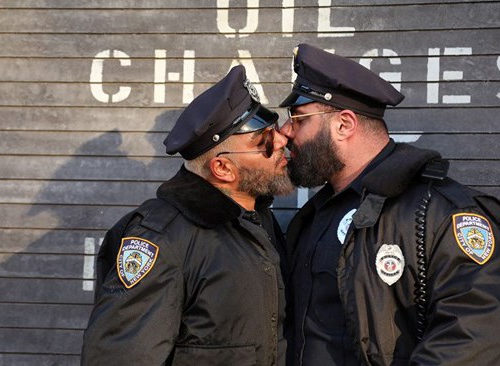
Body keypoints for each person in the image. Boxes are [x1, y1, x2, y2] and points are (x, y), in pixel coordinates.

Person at [278, 43, 500, 365]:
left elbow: (475, 332)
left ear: (344, 124)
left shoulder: (439, 212)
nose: (285, 132)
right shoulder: (316, 215)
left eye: (298, 119)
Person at [81, 65, 294, 365]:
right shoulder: (162, 239)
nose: (282, 140)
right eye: (265, 142)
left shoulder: (257, 220)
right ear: (222, 168)